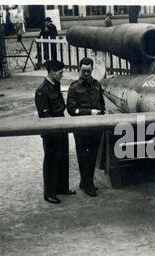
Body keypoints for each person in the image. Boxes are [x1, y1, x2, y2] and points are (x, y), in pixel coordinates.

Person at [34, 60, 76, 204]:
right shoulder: (42, 90)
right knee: (51, 160)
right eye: (60, 73)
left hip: (61, 126)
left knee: (63, 157)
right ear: (51, 72)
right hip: (51, 130)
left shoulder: (55, 85)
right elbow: (44, 115)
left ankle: (62, 187)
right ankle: (49, 193)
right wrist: (54, 126)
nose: (62, 75)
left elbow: (60, 105)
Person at [67, 57, 106, 197]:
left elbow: (101, 103)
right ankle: (87, 184)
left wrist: (101, 112)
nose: (86, 74)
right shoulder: (74, 87)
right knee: (83, 156)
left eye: (89, 71)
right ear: (79, 70)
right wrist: (90, 112)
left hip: (95, 127)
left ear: (92, 70)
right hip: (82, 128)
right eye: (84, 71)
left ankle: (86, 182)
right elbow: (71, 110)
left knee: (93, 155)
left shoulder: (97, 85)